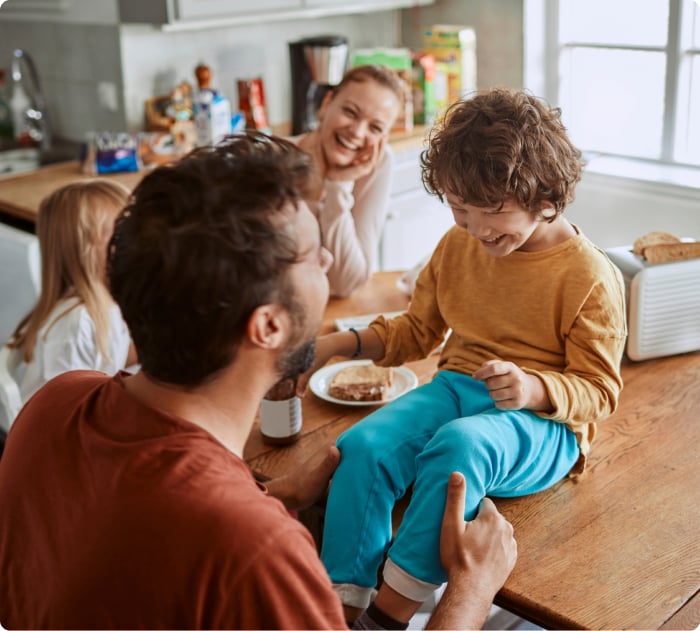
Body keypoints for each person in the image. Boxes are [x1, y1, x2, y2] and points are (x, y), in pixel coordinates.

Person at [0, 133, 516, 630]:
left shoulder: (54, 404)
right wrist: (472, 587)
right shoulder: (257, 553)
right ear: (268, 325)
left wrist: (276, 493)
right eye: (313, 256)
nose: (329, 260)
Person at [299, 88, 627, 625]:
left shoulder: (589, 275)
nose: (476, 229)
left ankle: (389, 614)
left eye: (493, 211)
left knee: (459, 447)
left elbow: (599, 391)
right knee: (362, 446)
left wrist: (532, 388)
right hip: (455, 388)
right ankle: (341, 604)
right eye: (459, 209)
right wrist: (334, 346)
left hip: (544, 425)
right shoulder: (459, 245)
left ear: (546, 197)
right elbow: (418, 331)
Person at [8, 180, 136, 404]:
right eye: (120, 236)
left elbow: (109, 359)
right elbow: (61, 411)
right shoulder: (76, 326)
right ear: (84, 251)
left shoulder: (105, 306)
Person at [294, 64, 404, 297]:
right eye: (350, 112)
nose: (357, 132)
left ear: (383, 138)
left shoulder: (378, 163)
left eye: (375, 127)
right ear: (326, 104)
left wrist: (338, 185)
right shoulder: (276, 156)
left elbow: (348, 282)